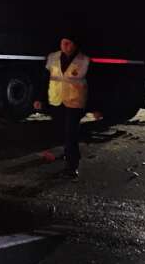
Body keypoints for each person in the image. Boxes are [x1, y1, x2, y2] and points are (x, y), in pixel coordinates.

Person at [33, 34, 101, 178]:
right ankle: (67, 153)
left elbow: (93, 86)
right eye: (63, 43)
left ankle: (72, 165)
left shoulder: (84, 60)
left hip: (75, 103)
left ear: (75, 45)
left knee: (71, 134)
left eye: (69, 43)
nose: (65, 46)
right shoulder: (52, 57)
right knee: (62, 131)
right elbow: (44, 79)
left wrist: (94, 107)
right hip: (56, 101)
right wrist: (39, 98)